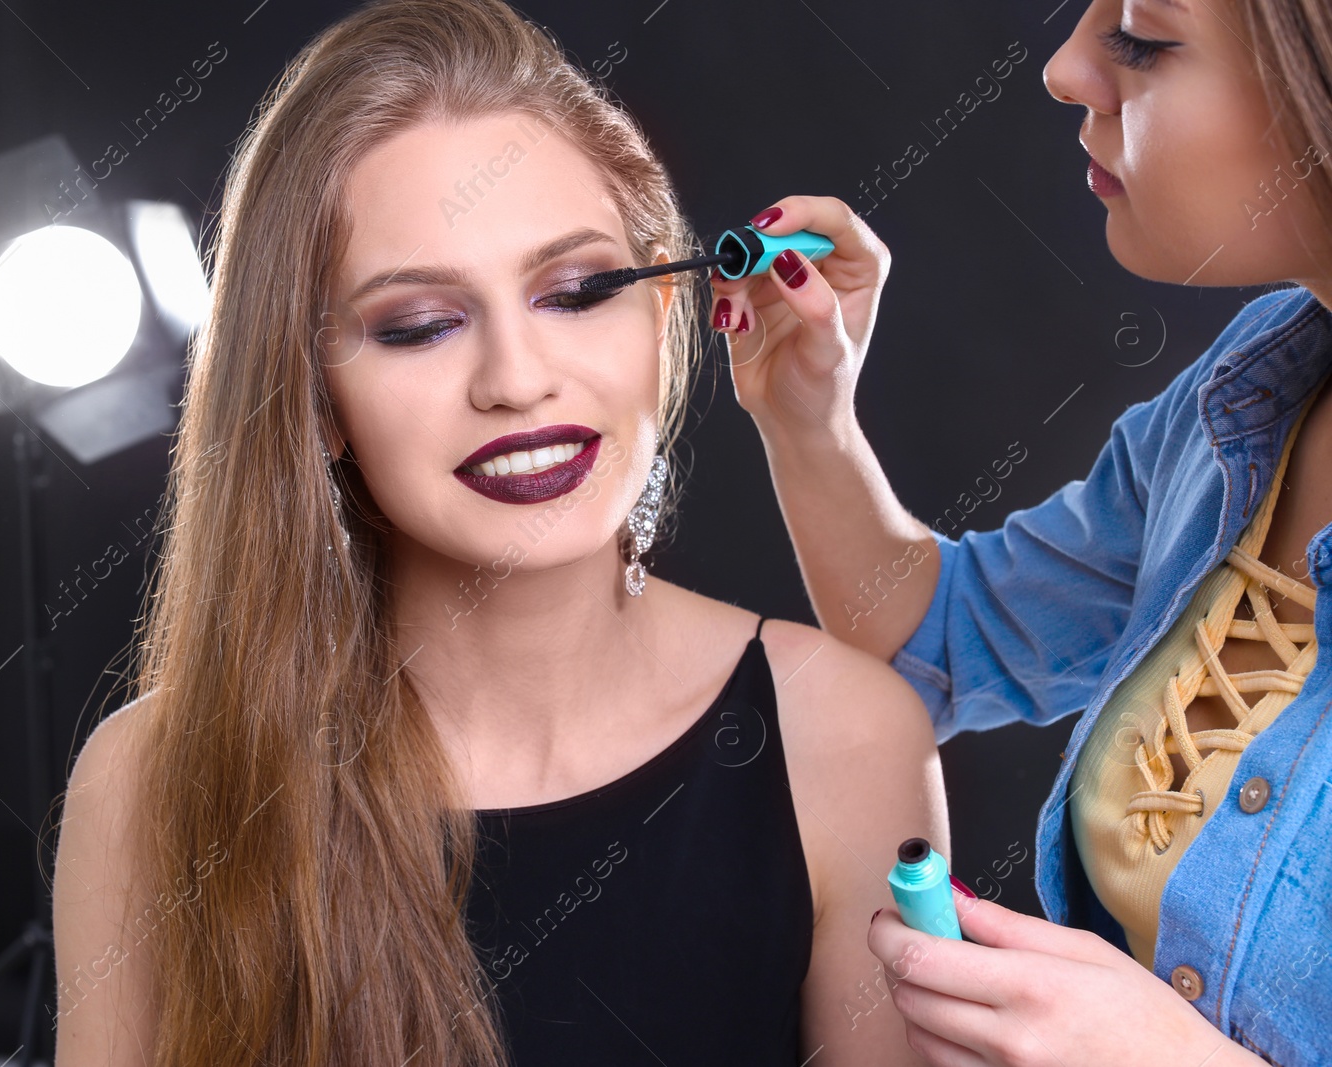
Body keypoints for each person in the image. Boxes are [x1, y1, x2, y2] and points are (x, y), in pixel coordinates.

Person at [50, 1, 948, 1065]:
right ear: (314, 400)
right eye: (421, 325)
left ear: (663, 318)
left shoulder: (844, 740)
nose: (517, 380)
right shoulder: (150, 783)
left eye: (575, 293)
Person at [707, 0, 1332, 1062]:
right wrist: (807, 418)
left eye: (1142, 39)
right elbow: (943, 642)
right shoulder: (1244, 397)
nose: (1062, 71)